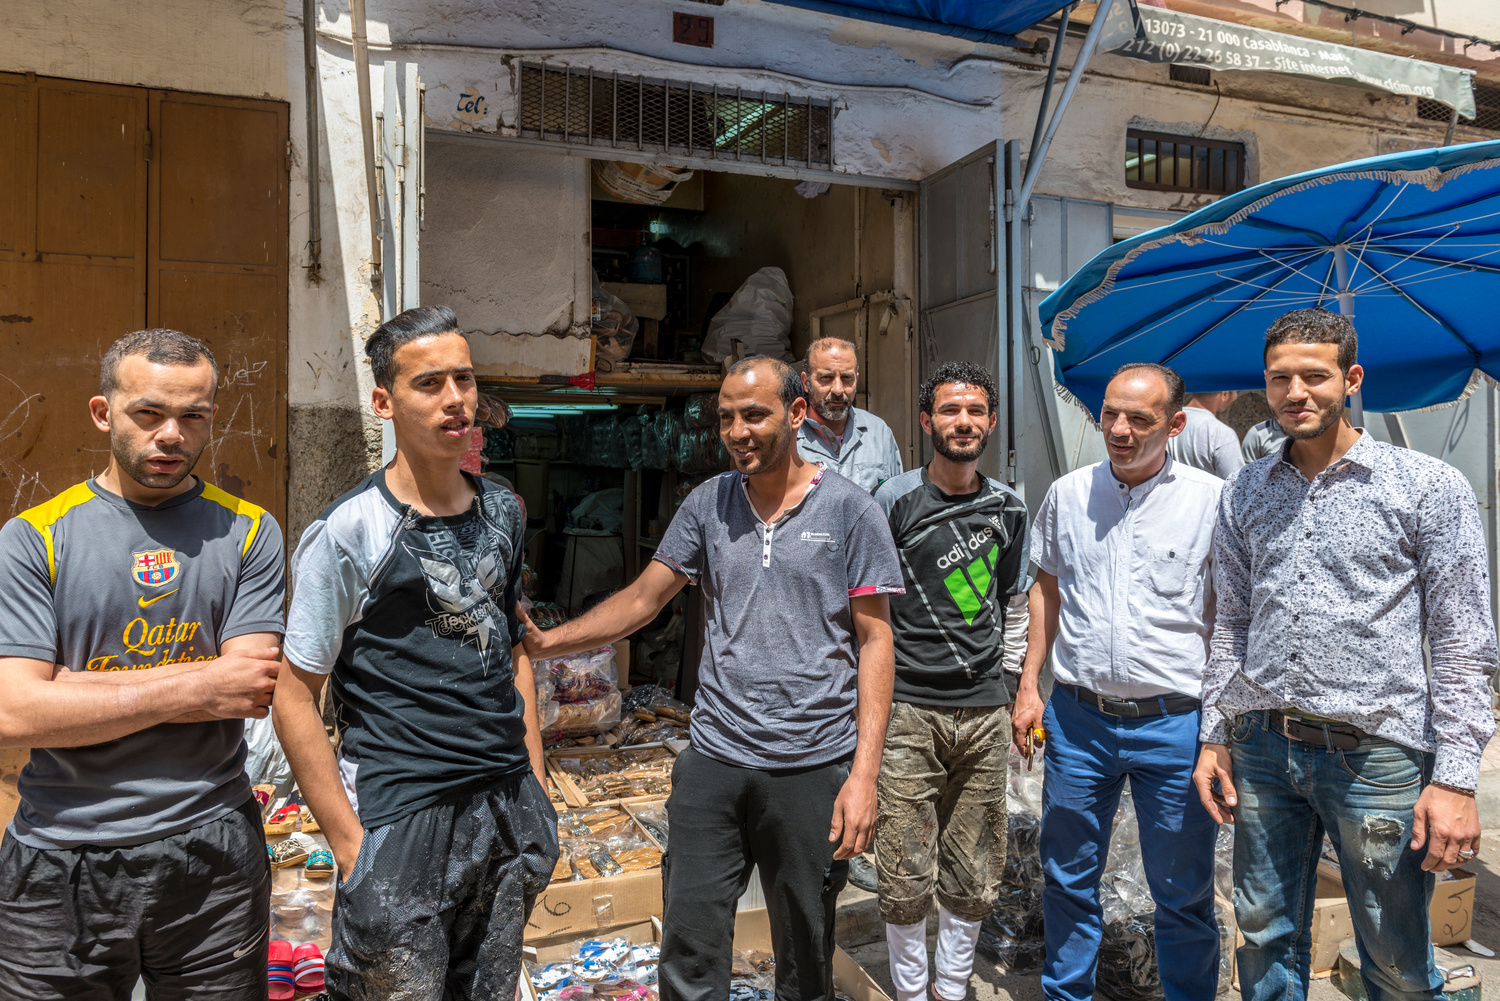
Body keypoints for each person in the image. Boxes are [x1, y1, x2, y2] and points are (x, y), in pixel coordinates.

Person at [522, 355, 904, 1001]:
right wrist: (547, 643)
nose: (737, 431)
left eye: (753, 414)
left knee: (805, 955)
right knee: (690, 950)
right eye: (726, 417)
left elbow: (876, 641)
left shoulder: (850, 510)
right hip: (714, 762)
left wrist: (864, 777)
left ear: (797, 413)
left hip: (811, 766)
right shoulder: (708, 503)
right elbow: (644, 599)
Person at [1192, 308, 1498, 1001]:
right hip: (1264, 748)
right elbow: (1232, 624)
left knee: (1395, 959)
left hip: (1378, 759)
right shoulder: (1245, 490)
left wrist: (1455, 780)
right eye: (1280, 378)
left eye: (1314, 375)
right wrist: (1215, 734)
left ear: (1351, 379)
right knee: (1263, 938)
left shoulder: (1426, 486)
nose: (1295, 392)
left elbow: (1462, 643)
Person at [274, 305, 556, 1001]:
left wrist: (538, 787)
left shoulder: (502, 509)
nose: (455, 398)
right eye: (429, 383)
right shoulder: (349, 531)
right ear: (384, 402)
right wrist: (350, 848)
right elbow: (293, 693)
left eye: (464, 378)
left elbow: (512, 648)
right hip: (402, 812)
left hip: (506, 806)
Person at [0, 328, 285, 1000]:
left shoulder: (249, 530)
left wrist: (71, 689)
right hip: (59, 854)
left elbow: (246, 688)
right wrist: (201, 681)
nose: (172, 435)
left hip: (212, 850)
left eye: (193, 417)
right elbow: (14, 713)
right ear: (104, 413)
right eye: (149, 413)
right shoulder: (34, 537)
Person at [1012, 362, 1223, 1001]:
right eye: (1110, 414)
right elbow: (1045, 588)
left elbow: (1229, 618)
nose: (1120, 430)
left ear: (1176, 425)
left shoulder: (1212, 502)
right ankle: (1067, 993)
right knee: (1067, 878)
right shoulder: (1068, 494)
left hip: (1175, 725)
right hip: (1079, 721)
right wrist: (1029, 685)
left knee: (1182, 892)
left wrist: (1220, 729)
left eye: (1139, 419)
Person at [872, 362, 1031, 1001]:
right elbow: (867, 606)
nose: (962, 422)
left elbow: (1013, 604)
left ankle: (951, 988)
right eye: (948, 410)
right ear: (925, 421)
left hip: (985, 709)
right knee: (902, 865)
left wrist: (1016, 690)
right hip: (907, 707)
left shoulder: (1009, 507)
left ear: (990, 422)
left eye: (974, 412)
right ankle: (912, 992)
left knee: (976, 864)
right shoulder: (893, 500)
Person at [797, 336, 904, 492]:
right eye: (826, 378)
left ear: (856, 380)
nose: (838, 389)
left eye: (847, 378)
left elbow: (897, 499)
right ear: (806, 382)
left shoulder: (878, 432)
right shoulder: (788, 437)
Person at [1167, 389, 1243, 479]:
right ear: (1224, 394)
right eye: (1235, 392)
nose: (1235, 397)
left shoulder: (1169, 424)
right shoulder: (1223, 433)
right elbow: (1236, 481)